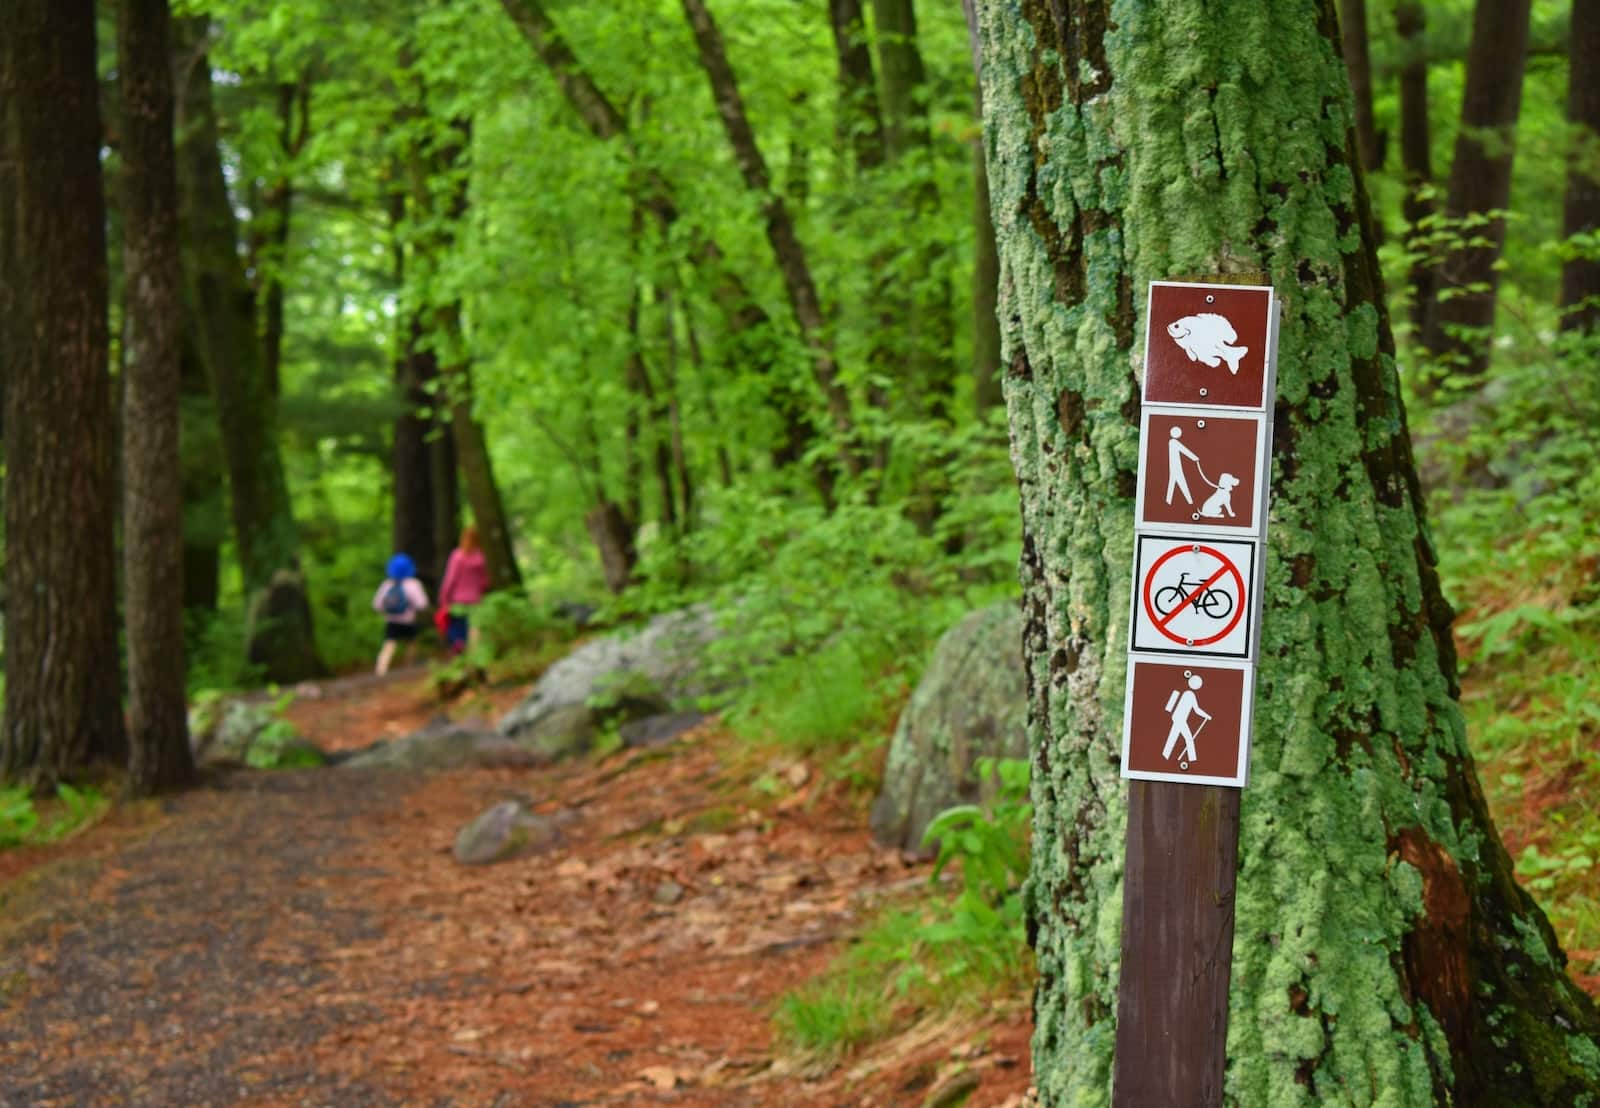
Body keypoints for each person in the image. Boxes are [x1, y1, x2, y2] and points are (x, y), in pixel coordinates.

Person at [372, 553, 430, 676]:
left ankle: (381, 669)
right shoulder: (413, 584)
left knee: (389, 644)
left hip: (391, 621)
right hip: (409, 620)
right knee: (412, 642)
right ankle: (409, 667)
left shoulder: (387, 584)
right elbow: (422, 604)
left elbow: (377, 605)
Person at [437, 524, 490, 655]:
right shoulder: (480, 558)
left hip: (458, 600)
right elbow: (485, 581)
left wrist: (444, 598)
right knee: (474, 629)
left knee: (458, 629)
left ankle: (460, 650)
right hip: (476, 599)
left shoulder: (457, 556)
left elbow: (450, 579)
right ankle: (474, 656)